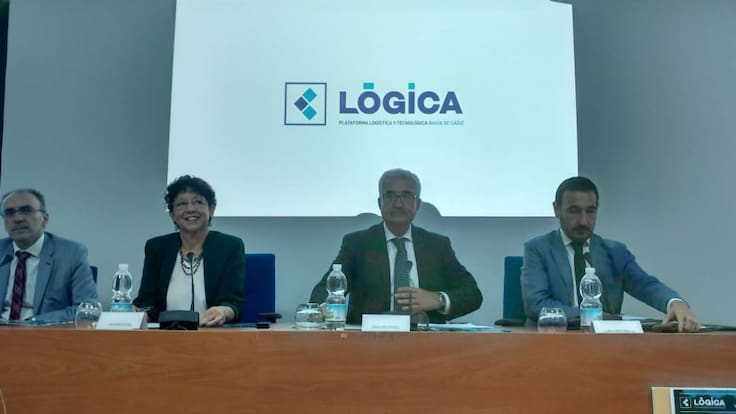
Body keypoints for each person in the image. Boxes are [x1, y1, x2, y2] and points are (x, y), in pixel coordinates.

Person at [521, 176, 700, 332]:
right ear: (557, 210)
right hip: (552, 341)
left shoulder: (614, 252)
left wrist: (674, 302)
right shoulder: (538, 249)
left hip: (604, 344)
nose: (583, 220)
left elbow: (645, 285)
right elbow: (537, 304)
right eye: (574, 211)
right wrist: (592, 316)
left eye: (590, 211)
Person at [309, 168, 482, 324]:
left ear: (417, 204)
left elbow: (473, 294)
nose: (398, 204)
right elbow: (325, 289)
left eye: (406, 196)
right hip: (370, 340)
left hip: (426, 338)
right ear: (380, 203)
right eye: (390, 196)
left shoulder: (437, 245)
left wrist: (438, 299)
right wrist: (324, 307)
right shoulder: (358, 243)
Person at [133, 175, 244, 326]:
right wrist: (141, 312)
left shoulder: (230, 246)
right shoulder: (157, 248)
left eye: (198, 202)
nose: (190, 209)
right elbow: (147, 302)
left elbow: (233, 302)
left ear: (211, 209)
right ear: (172, 214)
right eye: (182, 204)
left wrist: (224, 311)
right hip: (166, 334)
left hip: (212, 332)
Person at [0, 189, 98, 322]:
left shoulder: (71, 253)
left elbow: (88, 309)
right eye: (9, 213)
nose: (17, 218)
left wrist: (32, 323)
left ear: (45, 219)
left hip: (44, 330)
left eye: (26, 210)